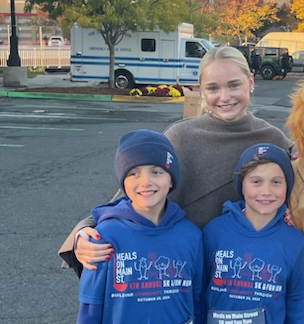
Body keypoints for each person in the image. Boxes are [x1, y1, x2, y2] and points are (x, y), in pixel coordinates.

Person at [59, 46, 292, 274]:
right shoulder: (181, 136)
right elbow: (130, 196)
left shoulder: (273, 139)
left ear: (250, 82)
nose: (224, 96)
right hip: (179, 268)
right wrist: (83, 233)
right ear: (201, 90)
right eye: (213, 88)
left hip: (244, 272)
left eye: (234, 85)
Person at [72, 129, 204, 324]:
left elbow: (197, 306)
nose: (146, 182)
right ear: (122, 182)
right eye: (133, 173)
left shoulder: (191, 236)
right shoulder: (105, 237)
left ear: (171, 178)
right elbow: (90, 317)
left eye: (156, 171)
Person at [203, 143, 304, 324]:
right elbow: (199, 300)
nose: (266, 191)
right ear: (242, 185)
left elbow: (296, 309)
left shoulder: (294, 242)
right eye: (256, 181)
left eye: (276, 182)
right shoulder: (214, 232)